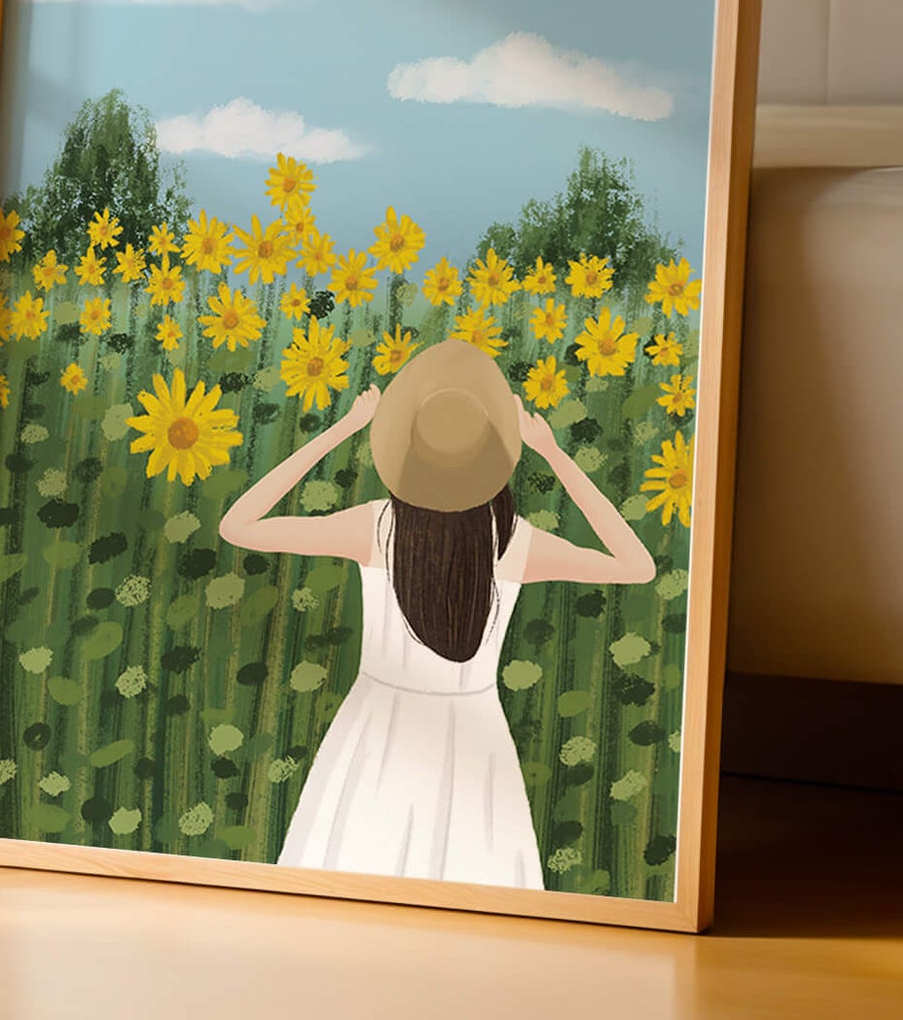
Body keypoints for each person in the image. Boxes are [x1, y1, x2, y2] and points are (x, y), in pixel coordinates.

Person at [218, 338, 655, 887]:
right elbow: (636, 565)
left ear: (407, 454)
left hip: (374, 726)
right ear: (495, 461)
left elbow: (238, 526)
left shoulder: (375, 526)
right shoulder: (513, 543)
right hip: (474, 734)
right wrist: (553, 451)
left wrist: (342, 429)